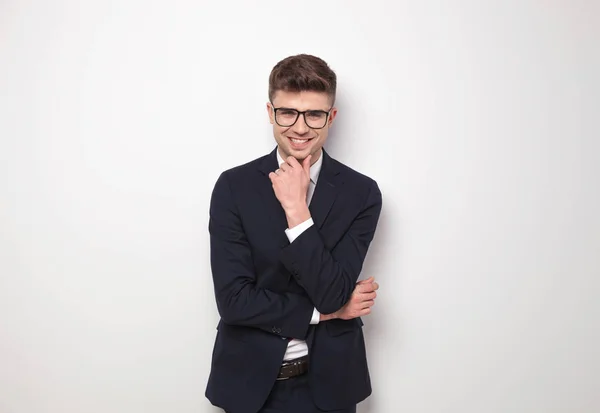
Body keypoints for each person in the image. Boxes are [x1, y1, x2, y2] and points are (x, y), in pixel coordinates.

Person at [205, 54, 383, 413]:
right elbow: (234, 301)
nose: (300, 128)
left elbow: (333, 293)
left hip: (331, 387)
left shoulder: (361, 194)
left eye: (314, 114)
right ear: (270, 112)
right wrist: (325, 314)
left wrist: (297, 212)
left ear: (331, 117)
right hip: (250, 387)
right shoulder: (233, 187)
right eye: (288, 113)